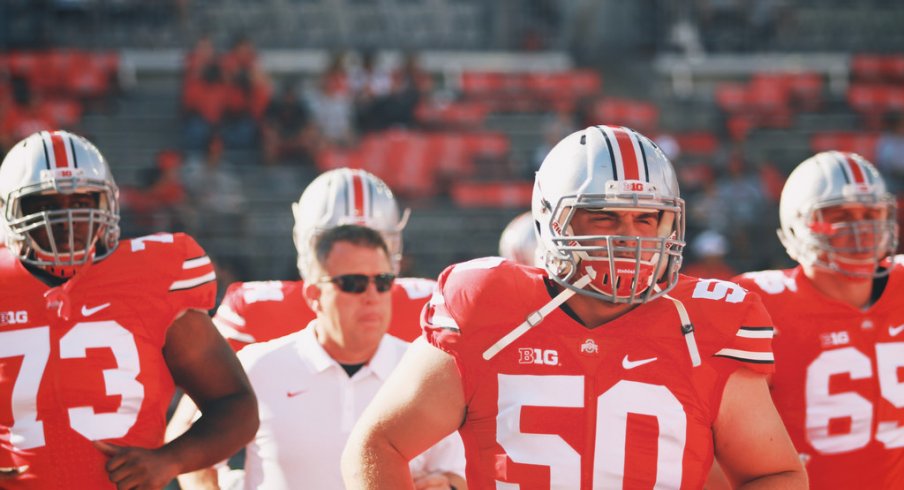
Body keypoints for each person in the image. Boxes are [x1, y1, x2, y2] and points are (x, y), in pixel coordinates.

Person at [342, 125, 808, 489]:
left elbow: (775, 475)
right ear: (551, 218)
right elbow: (377, 445)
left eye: (647, 217)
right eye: (603, 215)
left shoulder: (703, 323)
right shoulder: (488, 306)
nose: (629, 237)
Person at [0, 130, 258, 489]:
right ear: (10, 211)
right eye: (45, 204)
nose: (67, 219)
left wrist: (169, 460)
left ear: (106, 204)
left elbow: (235, 404)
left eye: (82, 201)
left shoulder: (151, 276)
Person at [168, 167, 436, 487]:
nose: (353, 250)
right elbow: (189, 434)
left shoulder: (429, 305)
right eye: (337, 241)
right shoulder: (256, 309)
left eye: (368, 240)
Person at [206, 224, 465, 490]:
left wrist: (446, 486)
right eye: (353, 283)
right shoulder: (257, 365)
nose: (372, 296)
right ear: (314, 295)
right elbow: (201, 456)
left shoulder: (427, 370)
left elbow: (460, 473)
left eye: (383, 282)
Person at [732, 151, 903, 489]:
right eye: (840, 215)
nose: (861, 229)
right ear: (798, 224)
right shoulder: (756, 302)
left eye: (871, 213)